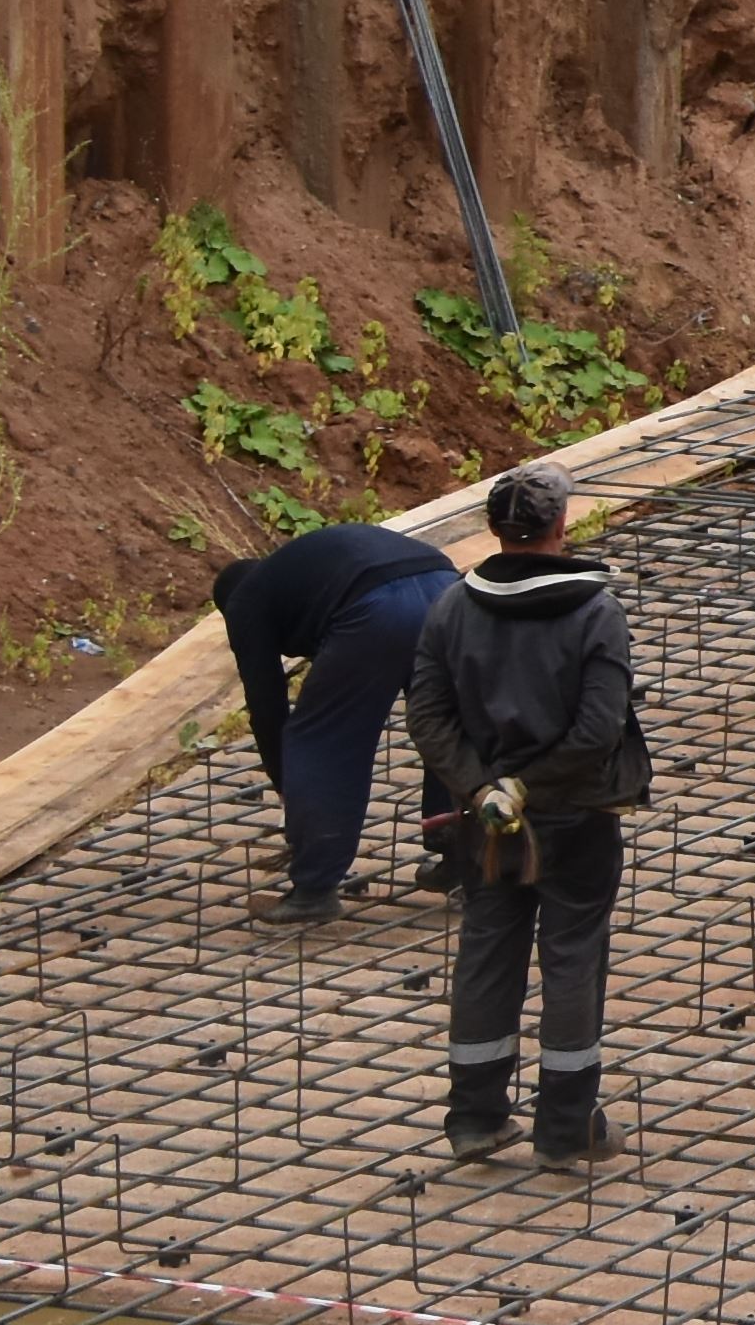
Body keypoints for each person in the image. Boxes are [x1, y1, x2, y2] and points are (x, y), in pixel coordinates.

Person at [407, 465, 646, 1163]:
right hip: (572, 819)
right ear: (560, 527)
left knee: (486, 950)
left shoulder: (453, 606)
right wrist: (525, 787)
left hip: (485, 823)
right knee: (572, 959)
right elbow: (599, 729)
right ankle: (567, 1127)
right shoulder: (594, 612)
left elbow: (428, 713)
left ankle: (475, 1119)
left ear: (494, 531)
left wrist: (482, 788)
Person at [210, 515, 451, 919]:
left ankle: (314, 889)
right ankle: (463, 857)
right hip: (446, 587)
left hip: (378, 604)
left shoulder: (244, 600)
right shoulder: (302, 573)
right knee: (447, 724)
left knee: (322, 740)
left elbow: (266, 702)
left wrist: (288, 782)